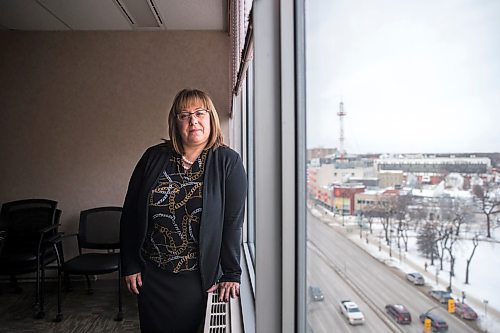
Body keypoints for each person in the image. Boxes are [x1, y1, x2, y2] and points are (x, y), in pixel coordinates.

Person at [120, 88, 247, 333]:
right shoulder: (153, 157)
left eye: (200, 112)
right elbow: (130, 214)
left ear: (210, 117)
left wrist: (231, 272)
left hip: (198, 277)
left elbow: (232, 222)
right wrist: (130, 263)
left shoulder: (228, 162)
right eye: (184, 115)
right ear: (175, 122)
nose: (193, 120)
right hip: (152, 275)